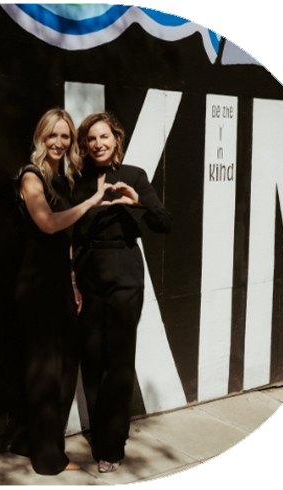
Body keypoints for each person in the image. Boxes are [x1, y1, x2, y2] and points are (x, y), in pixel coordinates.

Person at [11, 108, 111, 475]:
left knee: (65, 365)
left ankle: (29, 440)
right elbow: (49, 224)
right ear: (41, 137)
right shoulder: (31, 176)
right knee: (46, 371)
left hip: (58, 283)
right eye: (52, 135)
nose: (59, 142)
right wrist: (90, 203)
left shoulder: (62, 179)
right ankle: (48, 458)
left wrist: (72, 282)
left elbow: (66, 243)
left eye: (65, 136)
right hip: (36, 283)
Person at [70, 112, 172, 473]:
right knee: (92, 357)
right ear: (84, 145)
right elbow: (69, 236)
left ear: (116, 139)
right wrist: (72, 279)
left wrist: (137, 202)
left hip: (125, 269)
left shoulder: (134, 176)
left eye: (104, 137)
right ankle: (101, 438)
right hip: (88, 271)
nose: (98, 144)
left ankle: (111, 446)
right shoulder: (78, 181)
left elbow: (164, 223)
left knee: (119, 359)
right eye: (91, 139)